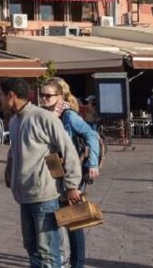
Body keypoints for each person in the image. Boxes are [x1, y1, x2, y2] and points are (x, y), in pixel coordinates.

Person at [0, 77, 82, 268]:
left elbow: (68, 150)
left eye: (1, 95)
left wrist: (71, 185)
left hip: (44, 196)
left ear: (11, 96)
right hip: (24, 196)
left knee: (48, 251)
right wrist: (10, 176)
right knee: (31, 248)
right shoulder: (14, 121)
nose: (0, 100)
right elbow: (15, 153)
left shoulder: (43, 118)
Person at [40, 78, 101, 268]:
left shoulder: (68, 115)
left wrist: (93, 164)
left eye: (47, 96)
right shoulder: (47, 114)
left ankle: (77, 263)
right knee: (58, 217)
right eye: (41, 95)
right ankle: (61, 259)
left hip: (70, 173)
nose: (42, 99)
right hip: (54, 172)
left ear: (59, 95)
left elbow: (91, 135)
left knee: (75, 219)